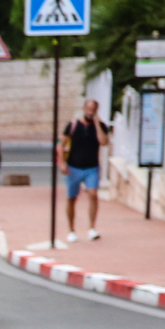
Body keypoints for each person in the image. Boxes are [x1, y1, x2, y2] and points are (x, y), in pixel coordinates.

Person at [58, 97, 111, 243]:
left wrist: (97, 124)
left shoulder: (100, 126)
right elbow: (61, 145)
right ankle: (71, 230)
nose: (90, 112)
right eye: (88, 109)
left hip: (92, 168)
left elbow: (104, 142)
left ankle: (92, 228)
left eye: (93, 110)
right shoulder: (73, 125)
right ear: (84, 109)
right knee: (71, 198)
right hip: (73, 167)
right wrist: (62, 163)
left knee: (93, 194)